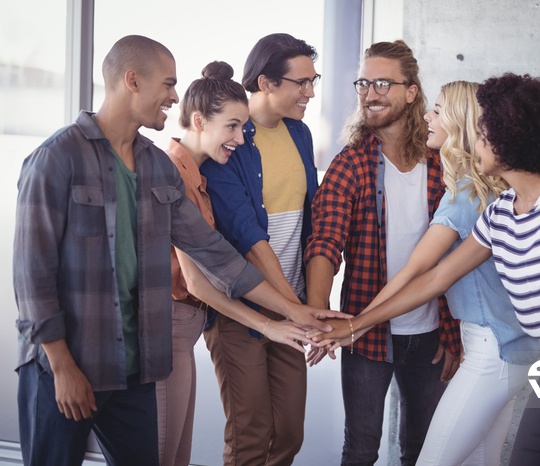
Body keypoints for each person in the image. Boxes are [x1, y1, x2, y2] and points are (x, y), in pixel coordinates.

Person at [12, 35, 332, 466]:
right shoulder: (56, 158)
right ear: (132, 81)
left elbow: (215, 254)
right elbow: (32, 275)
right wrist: (61, 364)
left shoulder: (155, 165)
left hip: (137, 367)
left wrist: (294, 312)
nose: (175, 96)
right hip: (68, 365)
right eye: (167, 84)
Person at [315, 73, 540, 466]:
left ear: (510, 140)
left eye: (484, 135)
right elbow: (436, 277)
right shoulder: (500, 213)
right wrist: (355, 325)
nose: (477, 142)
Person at [310, 81, 540, 466]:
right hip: (514, 349)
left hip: (490, 352)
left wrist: (357, 325)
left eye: (437, 110)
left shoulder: (465, 195)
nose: (428, 118)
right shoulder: (492, 189)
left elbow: (424, 273)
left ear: (459, 123)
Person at [157, 61, 331, 466]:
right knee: (210, 443)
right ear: (199, 121)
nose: (241, 137)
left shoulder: (199, 172)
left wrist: (293, 309)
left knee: (283, 433)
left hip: (209, 316)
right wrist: (279, 317)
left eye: (243, 127)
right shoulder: (173, 172)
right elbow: (204, 280)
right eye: (233, 127)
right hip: (183, 320)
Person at [303, 40, 462, 466]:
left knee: (424, 451)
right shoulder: (351, 162)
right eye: (363, 83)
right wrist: (318, 314)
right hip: (365, 333)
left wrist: (452, 333)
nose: (369, 93)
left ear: (411, 91)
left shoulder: (442, 164)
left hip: (432, 334)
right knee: (360, 450)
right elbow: (325, 242)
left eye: (382, 83)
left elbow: (458, 259)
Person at [199, 33, 324, 466]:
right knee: (251, 435)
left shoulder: (300, 134)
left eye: (314, 80)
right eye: (301, 82)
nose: (310, 92)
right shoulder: (230, 139)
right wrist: (294, 308)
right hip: (244, 306)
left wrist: (305, 302)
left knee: (289, 432)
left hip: (292, 299)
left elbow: (312, 219)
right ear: (267, 82)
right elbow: (249, 237)